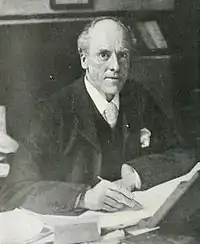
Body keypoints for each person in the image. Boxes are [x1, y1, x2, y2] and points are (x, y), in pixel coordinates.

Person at [0, 17, 187, 215]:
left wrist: (135, 174)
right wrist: (83, 198)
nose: (115, 65)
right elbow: (15, 190)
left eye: (123, 55)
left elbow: (184, 153)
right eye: (104, 55)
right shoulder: (53, 111)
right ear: (84, 59)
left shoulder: (138, 96)